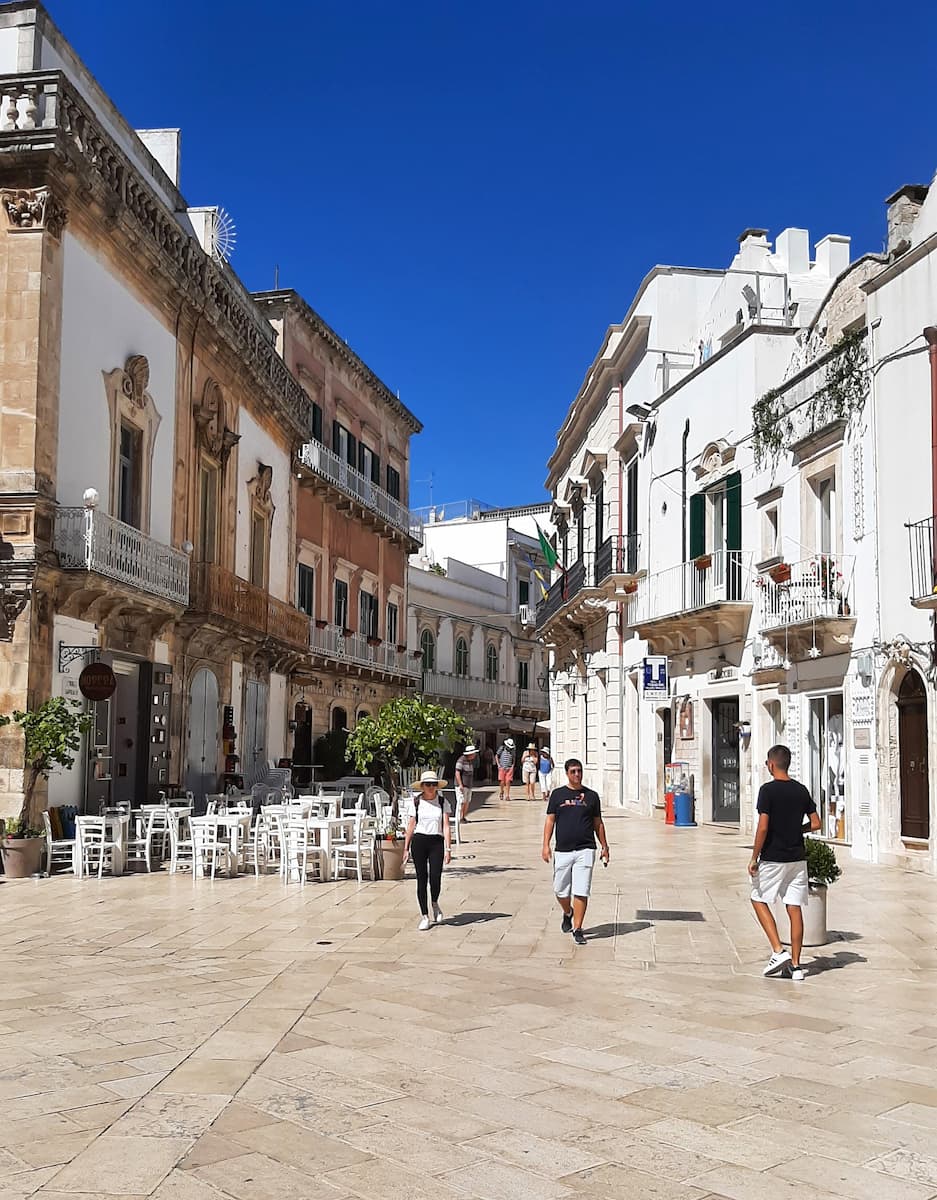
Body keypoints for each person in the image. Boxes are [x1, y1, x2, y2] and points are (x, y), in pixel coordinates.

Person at [749, 743, 821, 981]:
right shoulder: (801, 790)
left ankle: (778, 951)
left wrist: (754, 857)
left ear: (771, 764)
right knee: (794, 907)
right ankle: (797, 966)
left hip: (774, 856)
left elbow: (763, 827)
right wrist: (796, 830)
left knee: (757, 898)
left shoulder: (767, 791)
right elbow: (816, 823)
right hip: (797, 857)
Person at [541, 758, 609, 945]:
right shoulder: (557, 795)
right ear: (567, 773)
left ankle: (578, 928)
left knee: (581, 890)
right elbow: (550, 821)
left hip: (586, 849)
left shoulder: (592, 796)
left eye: (579, 771)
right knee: (560, 890)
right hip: (563, 850)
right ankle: (568, 912)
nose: (577, 775)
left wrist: (605, 846)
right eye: (573, 771)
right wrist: (545, 845)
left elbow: (598, 823)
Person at [403, 769, 452, 931]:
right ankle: (425, 915)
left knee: (436, 876)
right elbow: (411, 825)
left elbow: (446, 826)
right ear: (422, 786)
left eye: (433, 784)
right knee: (421, 879)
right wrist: (406, 848)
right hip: (419, 841)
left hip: (436, 842)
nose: (431, 787)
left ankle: (435, 902)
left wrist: (448, 848)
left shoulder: (442, 802)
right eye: (427, 784)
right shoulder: (416, 802)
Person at [454, 743, 478, 822]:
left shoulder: (470, 761)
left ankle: (463, 817)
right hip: (462, 785)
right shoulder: (461, 760)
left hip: (468, 785)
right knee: (462, 801)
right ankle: (460, 817)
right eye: (473, 753)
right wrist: (460, 784)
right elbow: (457, 773)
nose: (475, 755)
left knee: (467, 801)